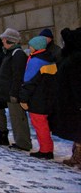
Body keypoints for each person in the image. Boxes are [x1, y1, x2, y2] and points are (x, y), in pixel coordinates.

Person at [20, 36, 57, 159]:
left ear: (36, 47)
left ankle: (45, 150)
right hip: (47, 96)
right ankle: (47, 149)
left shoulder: (35, 61)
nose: (29, 47)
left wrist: (23, 98)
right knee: (44, 125)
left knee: (39, 124)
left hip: (37, 97)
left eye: (30, 45)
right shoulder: (49, 59)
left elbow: (29, 82)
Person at [0, 28, 32, 151]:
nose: (2, 42)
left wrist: (14, 92)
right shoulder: (11, 53)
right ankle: (20, 141)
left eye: (3, 40)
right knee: (15, 118)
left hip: (14, 92)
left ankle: (23, 142)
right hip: (10, 92)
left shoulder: (17, 54)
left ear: (8, 40)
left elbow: (17, 75)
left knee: (18, 118)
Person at [53, 27, 81, 168]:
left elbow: (77, 82)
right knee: (77, 131)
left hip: (74, 101)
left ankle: (78, 157)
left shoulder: (76, 58)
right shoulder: (70, 56)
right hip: (69, 99)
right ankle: (76, 156)